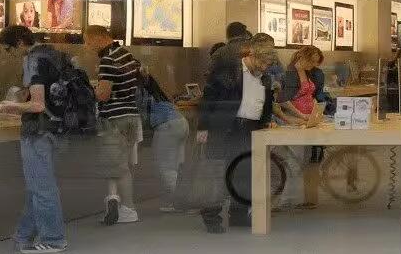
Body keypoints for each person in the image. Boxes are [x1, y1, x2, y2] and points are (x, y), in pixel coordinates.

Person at [0, 24, 67, 254]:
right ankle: (24, 234)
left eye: (8, 49)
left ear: (18, 43)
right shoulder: (54, 54)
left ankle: (53, 239)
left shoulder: (32, 60)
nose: (9, 55)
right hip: (57, 129)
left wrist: (9, 106)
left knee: (42, 188)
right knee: (37, 185)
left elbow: (38, 104)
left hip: (38, 131)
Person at [196, 33, 278, 233]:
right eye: (263, 63)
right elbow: (209, 98)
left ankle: (239, 215)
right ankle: (211, 216)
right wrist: (203, 127)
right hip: (226, 127)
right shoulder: (229, 71)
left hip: (251, 129)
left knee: (244, 174)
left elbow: (266, 104)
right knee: (218, 174)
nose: (265, 68)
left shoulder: (265, 78)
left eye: (268, 65)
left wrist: (267, 122)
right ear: (252, 55)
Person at [84, 24, 143, 226]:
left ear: (99, 38)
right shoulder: (126, 55)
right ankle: (115, 200)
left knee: (118, 167)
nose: (88, 46)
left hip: (115, 119)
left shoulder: (108, 60)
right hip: (131, 116)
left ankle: (128, 208)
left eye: (88, 41)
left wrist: (87, 91)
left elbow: (103, 94)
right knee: (121, 164)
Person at [276, 46, 329, 208]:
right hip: (294, 120)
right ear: (302, 57)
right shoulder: (290, 74)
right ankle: (286, 200)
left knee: (304, 159)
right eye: (311, 61)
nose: (313, 65)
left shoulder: (308, 73)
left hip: (306, 119)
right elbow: (284, 100)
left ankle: (297, 198)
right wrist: (300, 116)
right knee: (294, 161)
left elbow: (310, 94)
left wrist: (314, 110)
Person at [142, 71, 191, 213]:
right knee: (177, 167)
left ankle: (183, 201)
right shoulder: (154, 89)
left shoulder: (140, 92)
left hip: (167, 126)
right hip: (181, 123)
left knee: (166, 168)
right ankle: (179, 201)